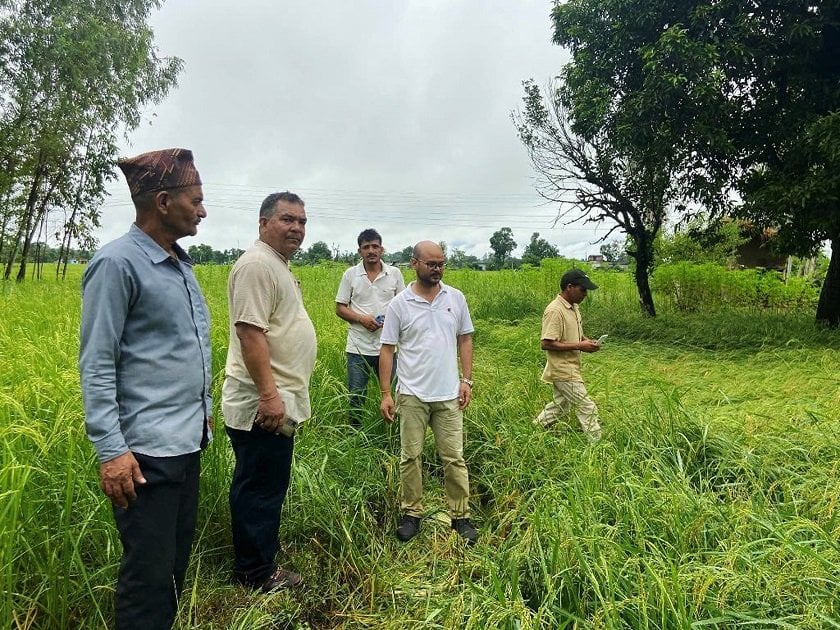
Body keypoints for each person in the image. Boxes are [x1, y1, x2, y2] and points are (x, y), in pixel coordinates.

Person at [79, 148, 212, 630]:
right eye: (195, 200)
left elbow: (185, 348)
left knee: (173, 569)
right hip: (143, 456)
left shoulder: (180, 263)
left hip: (186, 442)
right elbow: (96, 363)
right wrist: (111, 450)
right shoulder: (117, 264)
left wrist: (205, 408)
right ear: (162, 201)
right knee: (148, 577)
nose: (202, 210)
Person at [221, 191, 317, 592]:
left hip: (275, 401)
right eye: (287, 219)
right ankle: (255, 573)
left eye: (302, 221)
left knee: (265, 485)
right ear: (263, 223)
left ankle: (258, 560)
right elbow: (250, 332)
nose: (297, 228)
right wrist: (269, 396)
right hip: (263, 406)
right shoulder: (258, 265)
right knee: (259, 488)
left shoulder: (276, 265)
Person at [379, 241, 477, 545]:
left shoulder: (455, 298)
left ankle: (460, 516)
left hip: (448, 394)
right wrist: (386, 392)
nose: (437, 269)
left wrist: (467, 380)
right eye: (431, 264)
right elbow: (387, 349)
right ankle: (412, 514)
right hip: (411, 394)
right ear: (414, 264)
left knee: (454, 458)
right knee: (411, 456)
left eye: (441, 264)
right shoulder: (399, 305)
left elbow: (465, 339)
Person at [335, 228, 405, 426]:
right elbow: (340, 308)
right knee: (357, 396)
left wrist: (390, 321)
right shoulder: (351, 275)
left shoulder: (395, 274)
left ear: (382, 249)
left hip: (388, 347)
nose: (371, 251)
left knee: (397, 392)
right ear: (360, 251)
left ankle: (394, 434)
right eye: (366, 247)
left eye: (375, 246)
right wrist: (361, 319)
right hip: (358, 347)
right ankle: (355, 434)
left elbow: (403, 305)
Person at [534, 268, 603, 442]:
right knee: (588, 407)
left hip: (572, 366)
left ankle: (534, 430)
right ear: (569, 287)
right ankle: (598, 448)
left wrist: (587, 341)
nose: (586, 294)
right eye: (583, 289)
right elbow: (546, 343)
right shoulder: (555, 311)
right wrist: (581, 345)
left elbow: (576, 335)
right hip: (563, 370)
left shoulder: (574, 307)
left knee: (560, 406)